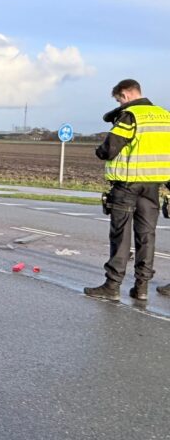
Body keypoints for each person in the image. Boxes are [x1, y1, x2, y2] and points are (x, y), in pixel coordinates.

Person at [84, 79, 170, 307]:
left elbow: (110, 148)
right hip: (153, 185)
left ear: (126, 94)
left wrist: (99, 151)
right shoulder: (165, 115)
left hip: (127, 184)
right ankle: (141, 288)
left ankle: (112, 286)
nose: (119, 104)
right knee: (147, 235)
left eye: (118, 99)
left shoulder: (130, 116)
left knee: (121, 235)